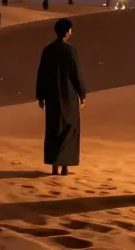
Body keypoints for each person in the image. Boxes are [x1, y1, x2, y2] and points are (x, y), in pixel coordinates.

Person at [36, 19, 85, 175]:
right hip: (68, 97)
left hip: (52, 97)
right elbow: (76, 74)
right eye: (70, 29)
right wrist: (82, 93)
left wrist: (41, 95)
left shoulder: (47, 50)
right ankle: (65, 167)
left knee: (54, 129)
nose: (71, 32)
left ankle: (54, 166)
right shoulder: (70, 51)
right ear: (66, 31)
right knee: (69, 130)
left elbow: (41, 74)